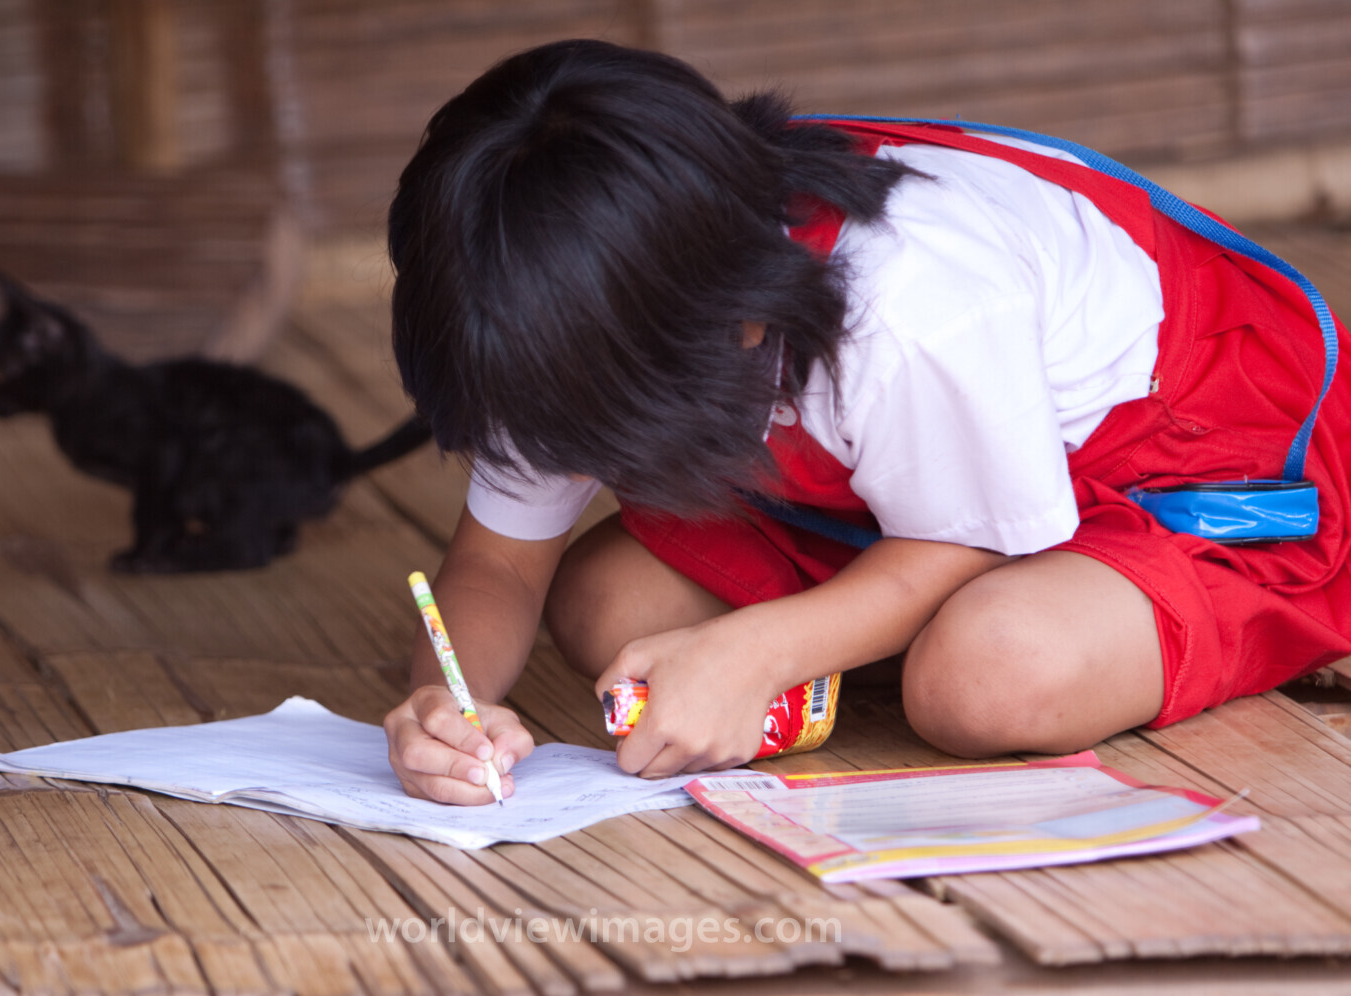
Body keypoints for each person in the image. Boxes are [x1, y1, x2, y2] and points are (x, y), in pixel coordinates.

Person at [381, 38, 1351, 805]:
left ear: (733, 323)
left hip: (1197, 475)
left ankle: (980, 633)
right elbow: (500, 564)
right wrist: (445, 700)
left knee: (986, 676)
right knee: (608, 606)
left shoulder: (915, 300)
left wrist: (759, 651)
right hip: (910, 501)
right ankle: (903, 628)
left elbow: (961, 537)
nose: (551, 450)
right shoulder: (554, 301)